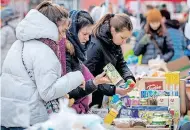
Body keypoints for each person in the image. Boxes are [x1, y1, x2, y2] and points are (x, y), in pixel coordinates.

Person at [1, 1, 85, 129]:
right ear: (52, 25)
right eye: (62, 31)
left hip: (9, 116)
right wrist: (77, 77)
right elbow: (48, 92)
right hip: (29, 119)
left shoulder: (19, 43)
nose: (63, 37)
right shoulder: (44, 50)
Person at [84, 13, 136, 108]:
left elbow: (121, 64)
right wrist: (114, 90)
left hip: (104, 96)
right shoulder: (96, 46)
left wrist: (129, 78)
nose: (124, 42)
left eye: (126, 39)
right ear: (113, 30)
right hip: (90, 99)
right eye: (122, 38)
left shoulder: (114, 43)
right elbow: (87, 79)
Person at [66, 10, 110, 113]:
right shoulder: (67, 53)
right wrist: (94, 83)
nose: (87, 38)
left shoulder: (77, 52)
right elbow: (69, 91)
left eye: (89, 35)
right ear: (72, 30)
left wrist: (95, 82)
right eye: (84, 34)